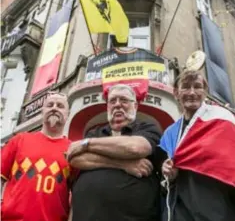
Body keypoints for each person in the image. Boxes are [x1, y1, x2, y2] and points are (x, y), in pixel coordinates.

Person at [67, 84, 167, 221]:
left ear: (135, 106)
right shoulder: (95, 132)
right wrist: (123, 164)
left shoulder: (147, 128)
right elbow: (75, 158)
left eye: (124, 100)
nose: (117, 105)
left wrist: (87, 144)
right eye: (112, 101)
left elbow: (135, 148)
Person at [160, 70, 235, 221]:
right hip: (179, 209)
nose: (192, 92)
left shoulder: (223, 119)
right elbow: (166, 176)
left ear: (205, 92)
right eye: (186, 87)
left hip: (216, 206)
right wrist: (169, 172)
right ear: (176, 93)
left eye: (197, 86)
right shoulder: (170, 133)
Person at [1, 92, 74, 221]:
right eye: (50, 105)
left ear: (67, 114)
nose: (54, 108)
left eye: (60, 106)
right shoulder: (19, 140)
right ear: (43, 112)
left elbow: (78, 194)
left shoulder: (73, 150)